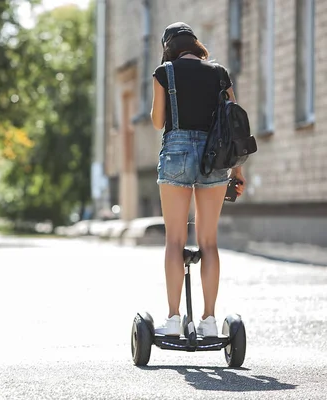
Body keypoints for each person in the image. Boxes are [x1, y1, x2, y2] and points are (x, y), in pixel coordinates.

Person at [150, 22, 245, 337]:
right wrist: (239, 171)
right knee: (209, 242)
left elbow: (157, 121)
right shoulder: (219, 74)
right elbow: (235, 125)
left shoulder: (165, 72)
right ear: (195, 44)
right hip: (214, 158)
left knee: (175, 241)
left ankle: (174, 319)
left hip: (176, 154)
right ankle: (208, 321)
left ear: (169, 47)